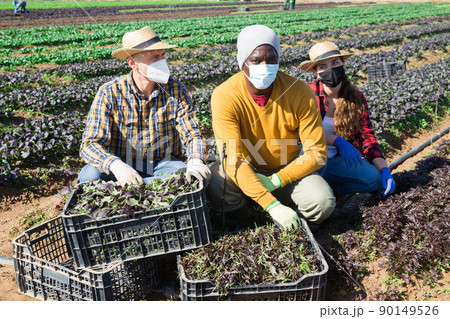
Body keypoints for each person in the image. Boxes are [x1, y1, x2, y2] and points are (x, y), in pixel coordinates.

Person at [207, 25, 336, 231]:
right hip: (245, 169)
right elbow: (233, 158)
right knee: (216, 181)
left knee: (322, 201)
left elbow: (317, 153)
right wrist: (271, 204)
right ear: (243, 62)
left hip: (287, 168)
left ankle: (299, 226)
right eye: (256, 60)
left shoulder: (299, 91)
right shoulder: (225, 95)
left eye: (271, 60)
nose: (265, 66)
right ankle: (247, 221)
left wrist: (277, 180)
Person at [78, 26, 210, 187]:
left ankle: (142, 190)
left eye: (163, 55)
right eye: (155, 57)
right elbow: (89, 144)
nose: (162, 61)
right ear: (133, 63)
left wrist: (196, 160)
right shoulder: (109, 92)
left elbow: (193, 135)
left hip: (162, 163)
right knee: (90, 176)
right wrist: (116, 165)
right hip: (122, 162)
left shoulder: (175, 90)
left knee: (182, 175)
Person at [299, 41, 396, 199]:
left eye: (335, 63)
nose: (330, 69)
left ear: (343, 64)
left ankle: (336, 191)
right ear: (315, 71)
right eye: (322, 66)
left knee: (375, 179)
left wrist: (384, 169)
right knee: (318, 198)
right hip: (307, 159)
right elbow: (301, 133)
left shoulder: (356, 98)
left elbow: (367, 138)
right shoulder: (306, 94)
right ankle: (320, 192)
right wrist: (337, 140)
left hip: (334, 162)